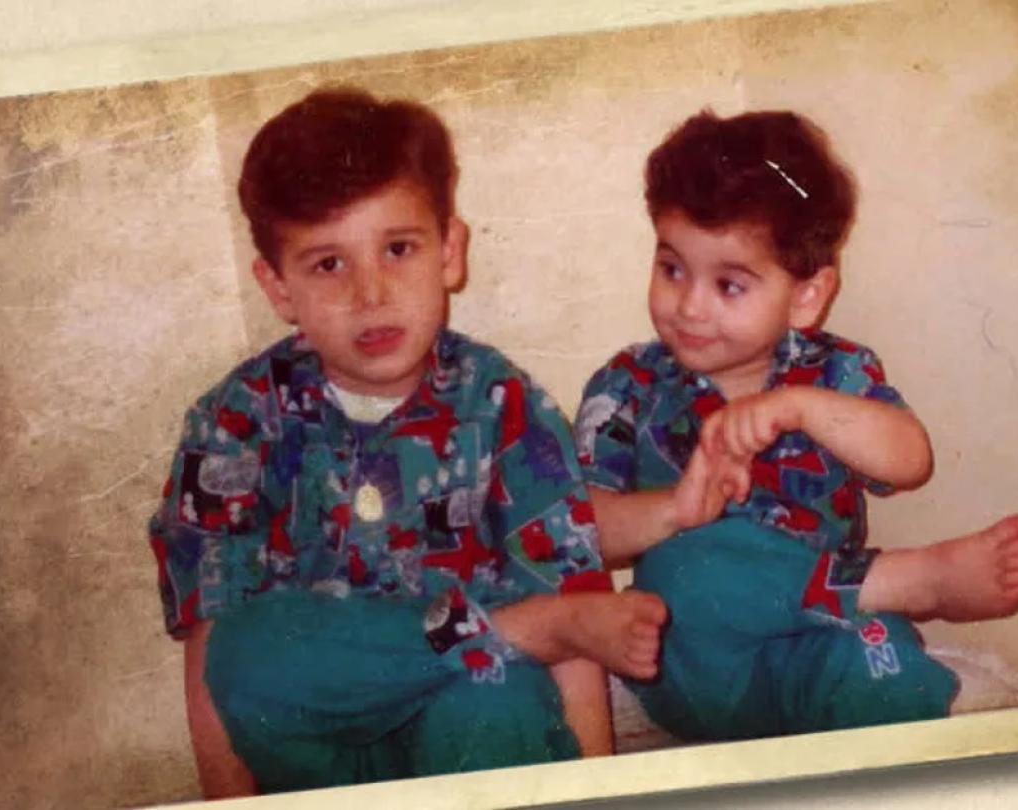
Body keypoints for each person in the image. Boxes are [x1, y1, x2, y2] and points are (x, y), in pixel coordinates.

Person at [146, 87, 666, 797]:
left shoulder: (501, 402)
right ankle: (511, 629)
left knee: (496, 689)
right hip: (322, 761)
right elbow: (215, 653)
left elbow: (575, 601)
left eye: (398, 249)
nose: (371, 293)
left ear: (449, 252)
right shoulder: (235, 420)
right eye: (329, 264)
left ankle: (504, 642)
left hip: (475, 731)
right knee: (241, 651)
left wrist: (600, 788)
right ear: (277, 287)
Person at [574, 107, 1018, 742]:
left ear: (807, 297)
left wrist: (799, 408)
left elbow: (910, 459)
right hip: (699, 657)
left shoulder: (835, 372)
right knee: (695, 566)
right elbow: (582, 536)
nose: (688, 305)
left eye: (729, 285)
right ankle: (907, 581)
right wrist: (677, 511)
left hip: (822, 636)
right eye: (672, 268)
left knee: (884, 656)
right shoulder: (628, 386)